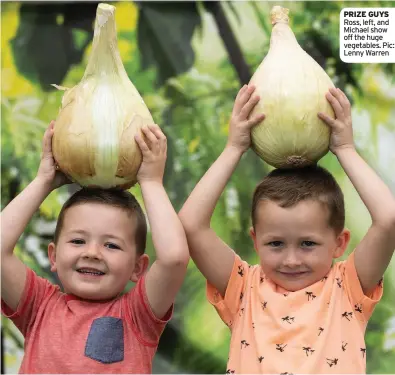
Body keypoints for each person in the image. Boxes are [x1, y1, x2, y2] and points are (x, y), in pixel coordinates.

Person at [179, 84, 395, 373]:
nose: (291, 260)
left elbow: (389, 219)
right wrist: (233, 148)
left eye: (308, 244)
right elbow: (191, 225)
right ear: (255, 241)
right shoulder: (244, 288)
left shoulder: (348, 287)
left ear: (339, 243)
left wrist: (345, 150)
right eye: (276, 244)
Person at [1, 122, 189, 373]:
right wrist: (43, 181)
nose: (92, 253)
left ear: (137, 267)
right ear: (53, 256)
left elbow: (174, 258)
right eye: (78, 241)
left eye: (111, 245)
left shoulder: (138, 316)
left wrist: (151, 182)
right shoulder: (39, 306)